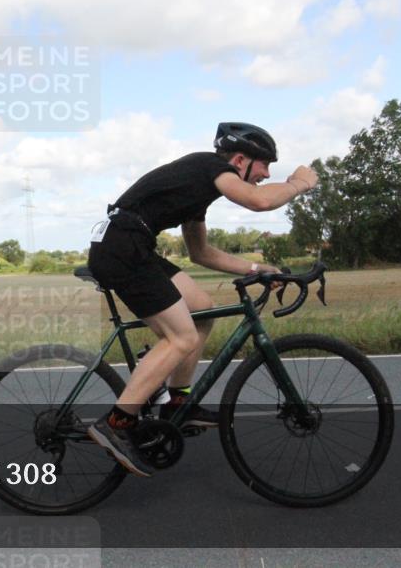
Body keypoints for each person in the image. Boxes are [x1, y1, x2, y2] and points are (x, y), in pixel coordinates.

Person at [86, 122, 319, 477]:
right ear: (240, 160)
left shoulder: (197, 190)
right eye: (264, 165)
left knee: (201, 309)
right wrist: (298, 183)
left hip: (130, 246)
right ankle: (117, 423)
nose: (266, 174)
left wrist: (256, 267)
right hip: (123, 248)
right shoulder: (212, 167)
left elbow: (201, 253)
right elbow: (258, 200)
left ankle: (178, 403)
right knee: (182, 337)